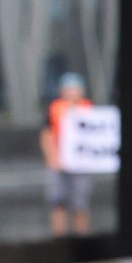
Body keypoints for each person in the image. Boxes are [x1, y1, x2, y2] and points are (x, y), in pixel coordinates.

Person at [44, 72, 94, 237]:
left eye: (75, 89)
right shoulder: (55, 108)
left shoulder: (89, 108)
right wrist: (53, 157)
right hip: (60, 162)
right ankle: (59, 238)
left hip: (81, 163)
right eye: (69, 89)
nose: (72, 92)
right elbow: (47, 134)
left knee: (81, 203)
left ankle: (82, 238)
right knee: (58, 202)